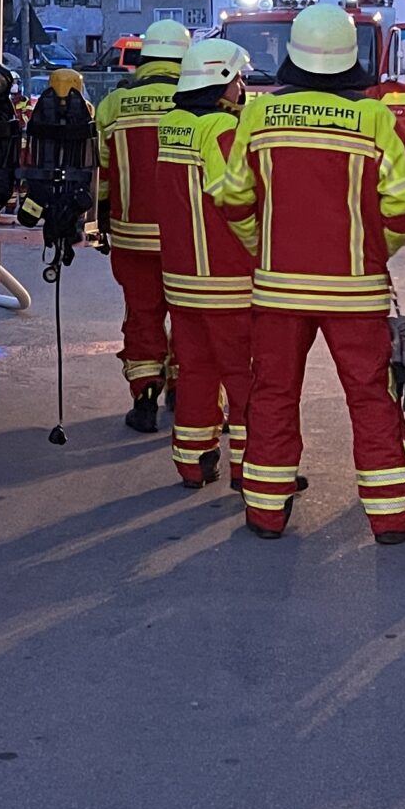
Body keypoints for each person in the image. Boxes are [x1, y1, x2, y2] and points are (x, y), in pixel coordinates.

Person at [214, 2, 405, 544]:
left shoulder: (258, 116)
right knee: (371, 396)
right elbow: (402, 208)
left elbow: (233, 198)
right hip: (355, 291)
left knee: (272, 393)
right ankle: (392, 519)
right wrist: (371, 254)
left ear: (293, 54)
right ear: (351, 57)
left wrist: (264, 249)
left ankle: (265, 512)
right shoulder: (375, 118)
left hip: (278, 289)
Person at [152, 38, 258, 488]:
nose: (242, 85)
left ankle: (193, 462)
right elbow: (234, 198)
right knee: (245, 375)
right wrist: (261, 244)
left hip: (181, 280)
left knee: (195, 370)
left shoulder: (171, 124)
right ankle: (253, 469)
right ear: (221, 79)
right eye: (238, 77)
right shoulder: (220, 128)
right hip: (227, 279)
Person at [96, 18, 192, 432]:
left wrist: (103, 219)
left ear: (144, 57)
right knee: (191, 316)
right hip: (190, 237)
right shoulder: (198, 101)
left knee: (142, 314)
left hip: (132, 236)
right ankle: (189, 393)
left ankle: (145, 397)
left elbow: (101, 173)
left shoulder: (115, 104)